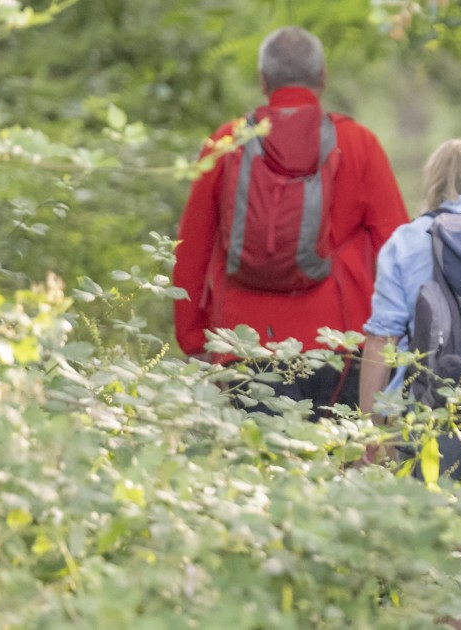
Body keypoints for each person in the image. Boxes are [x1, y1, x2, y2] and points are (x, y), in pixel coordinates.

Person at [172, 26, 409, 417]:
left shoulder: (226, 143)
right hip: (341, 343)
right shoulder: (358, 143)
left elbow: (191, 249)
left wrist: (194, 338)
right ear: (323, 77)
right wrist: (400, 339)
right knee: (339, 468)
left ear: (263, 79)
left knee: (257, 470)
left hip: (243, 342)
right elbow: (398, 248)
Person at [358, 138, 461, 484]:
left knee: (427, 526)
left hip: (423, 407)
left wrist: (371, 425)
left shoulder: (406, 240)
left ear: (434, 181)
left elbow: (382, 338)